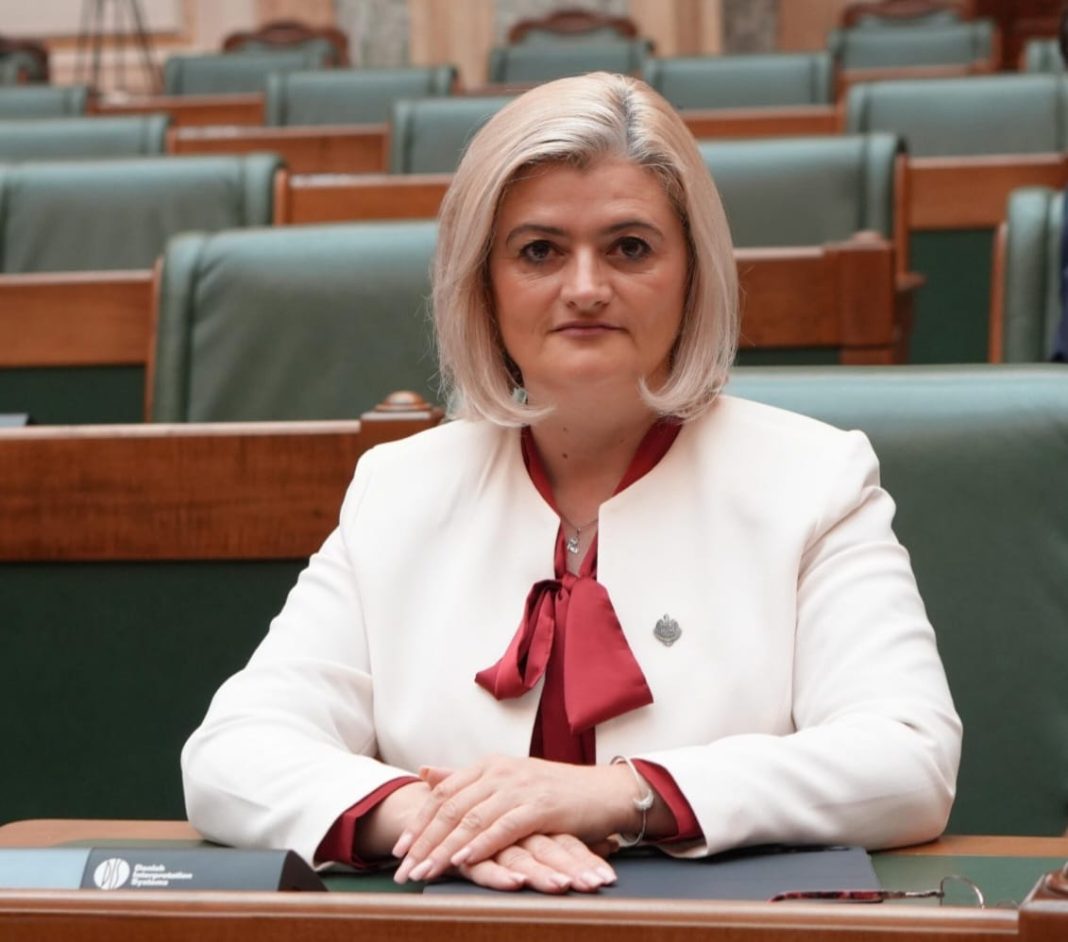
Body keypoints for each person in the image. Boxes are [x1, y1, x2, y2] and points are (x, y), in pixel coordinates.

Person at [182, 72, 962, 894]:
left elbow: (908, 758)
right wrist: (435, 819)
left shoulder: (815, 482)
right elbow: (231, 753)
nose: (585, 288)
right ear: (483, 285)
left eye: (630, 247)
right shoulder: (398, 489)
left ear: (693, 275)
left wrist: (616, 796)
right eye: (539, 251)